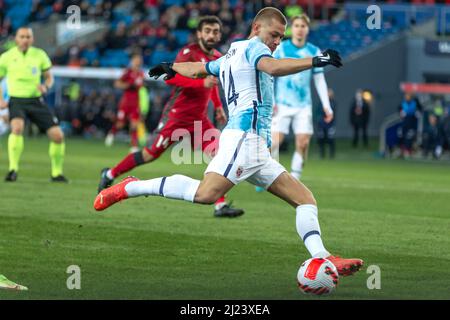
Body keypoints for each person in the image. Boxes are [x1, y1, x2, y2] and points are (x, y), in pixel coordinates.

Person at [94, 7, 363, 277]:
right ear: (257, 28)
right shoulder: (255, 48)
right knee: (205, 194)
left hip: (258, 150)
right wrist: (314, 61)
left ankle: (324, 257)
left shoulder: (231, 53)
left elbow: (200, 69)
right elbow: (274, 67)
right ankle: (132, 187)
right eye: (275, 35)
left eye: (281, 37)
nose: (277, 42)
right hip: (244, 140)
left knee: (305, 200)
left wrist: (171, 67)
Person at [97, 16, 244, 218]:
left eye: (215, 31)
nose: (211, 35)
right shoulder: (188, 53)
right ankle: (110, 174)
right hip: (176, 117)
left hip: (199, 120)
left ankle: (220, 205)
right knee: (150, 154)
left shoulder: (218, 56)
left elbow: (212, 86)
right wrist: (201, 84)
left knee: (218, 154)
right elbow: (171, 78)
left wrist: (218, 106)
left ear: (220, 34)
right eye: (207, 30)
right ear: (199, 33)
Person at [270, 14, 333, 180]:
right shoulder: (281, 49)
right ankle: (267, 175)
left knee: (303, 143)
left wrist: (327, 106)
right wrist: (272, 101)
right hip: (281, 104)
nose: (299, 29)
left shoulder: (314, 51)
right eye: (296, 25)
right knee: (274, 143)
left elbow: (320, 80)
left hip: (304, 105)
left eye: (303, 26)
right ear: (292, 28)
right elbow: (269, 75)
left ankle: (294, 180)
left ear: (308, 29)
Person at [0, 27, 68, 182]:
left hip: (36, 101)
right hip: (16, 100)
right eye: (22, 36)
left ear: (32, 39)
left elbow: (49, 78)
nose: (25, 39)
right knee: (17, 128)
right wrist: (1, 100)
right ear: (16, 39)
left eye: (28, 37)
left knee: (58, 136)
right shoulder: (6, 57)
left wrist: (46, 86)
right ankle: (13, 170)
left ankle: (56, 173)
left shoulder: (40, 55)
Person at [104, 54, 146, 152]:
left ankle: (134, 146)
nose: (138, 62)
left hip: (135, 103)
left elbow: (141, 85)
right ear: (132, 61)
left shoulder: (141, 74)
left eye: (139, 60)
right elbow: (117, 83)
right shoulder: (128, 72)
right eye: (136, 60)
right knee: (120, 124)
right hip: (125, 103)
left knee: (134, 124)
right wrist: (127, 85)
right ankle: (111, 134)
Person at [398, 92, 422, 158]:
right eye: (406, 96)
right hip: (404, 124)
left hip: (412, 125)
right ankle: (402, 150)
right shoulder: (403, 103)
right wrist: (401, 113)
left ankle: (408, 151)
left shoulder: (415, 103)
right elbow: (399, 110)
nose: (407, 97)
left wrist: (417, 113)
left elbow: (420, 109)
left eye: (408, 96)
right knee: (401, 135)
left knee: (409, 137)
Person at [317, 88, 337, 159]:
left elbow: (334, 113)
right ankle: (322, 154)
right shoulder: (321, 102)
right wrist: (321, 120)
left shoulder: (333, 103)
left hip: (330, 124)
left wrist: (329, 119)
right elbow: (318, 112)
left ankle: (332, 155)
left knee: (331, 139)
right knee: (321, 139)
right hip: (322, 124)